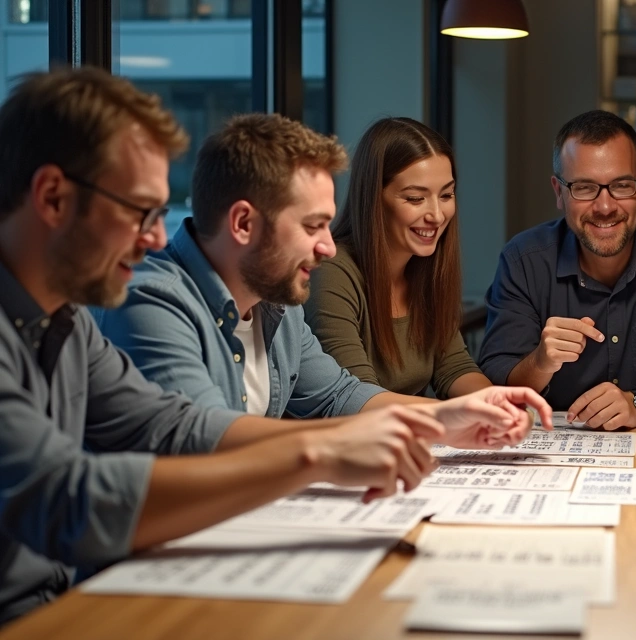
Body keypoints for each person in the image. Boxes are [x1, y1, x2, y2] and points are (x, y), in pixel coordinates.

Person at [0, 68, 459, 624]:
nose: (152, 237)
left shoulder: (66, 323)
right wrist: (320, 453)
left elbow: (176, 426)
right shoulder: (141, 296)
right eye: (138, 211)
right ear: (52, 197)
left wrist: (412, 426)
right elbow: (69, 498)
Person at [94, 114, 550, 451]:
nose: (328, 247)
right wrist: (334, 453)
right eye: (312, 226)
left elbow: (340, 396)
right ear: (244, 224)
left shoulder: (279, 305)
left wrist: (454, 415)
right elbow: (205, 436)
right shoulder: (152, 301)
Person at [479, 110, 636, 430]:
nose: (605, 207)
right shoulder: (523, 259)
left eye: (622, 185)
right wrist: (540, 362)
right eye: (585, 188)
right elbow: (495, 377)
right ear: (559, 192)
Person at [304, 117, 491, 399]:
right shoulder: (331, 272)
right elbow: (357, 398)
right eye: (416, 198)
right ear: (373, 198)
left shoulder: (426, 267)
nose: (437, 215)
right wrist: (463, 413)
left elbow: (454, 367)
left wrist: (498, 404)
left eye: (447, 195)